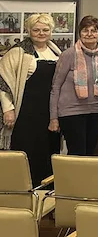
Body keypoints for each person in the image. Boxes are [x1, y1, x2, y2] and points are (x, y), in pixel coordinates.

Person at [0, 14, 62, 186]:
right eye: (36, 30)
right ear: (29, 31)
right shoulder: (18, 52)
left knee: (48, 151)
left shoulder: (55, 51)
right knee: (27, 150)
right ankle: (25, 190)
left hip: (49, 112)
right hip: (26, 112)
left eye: (45, 30)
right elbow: (3, 83)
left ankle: (46, 192)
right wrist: (8, 109)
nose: (41, 33)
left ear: (51, 31)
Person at [50, 15, 98, 156]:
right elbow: (56, 87)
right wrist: (53, 118)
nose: (89, 34)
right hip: (71, 112)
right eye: (85, 30)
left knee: (90, 153)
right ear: (80, 33)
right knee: (77, 153)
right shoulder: (68, 54)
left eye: (94, 30)